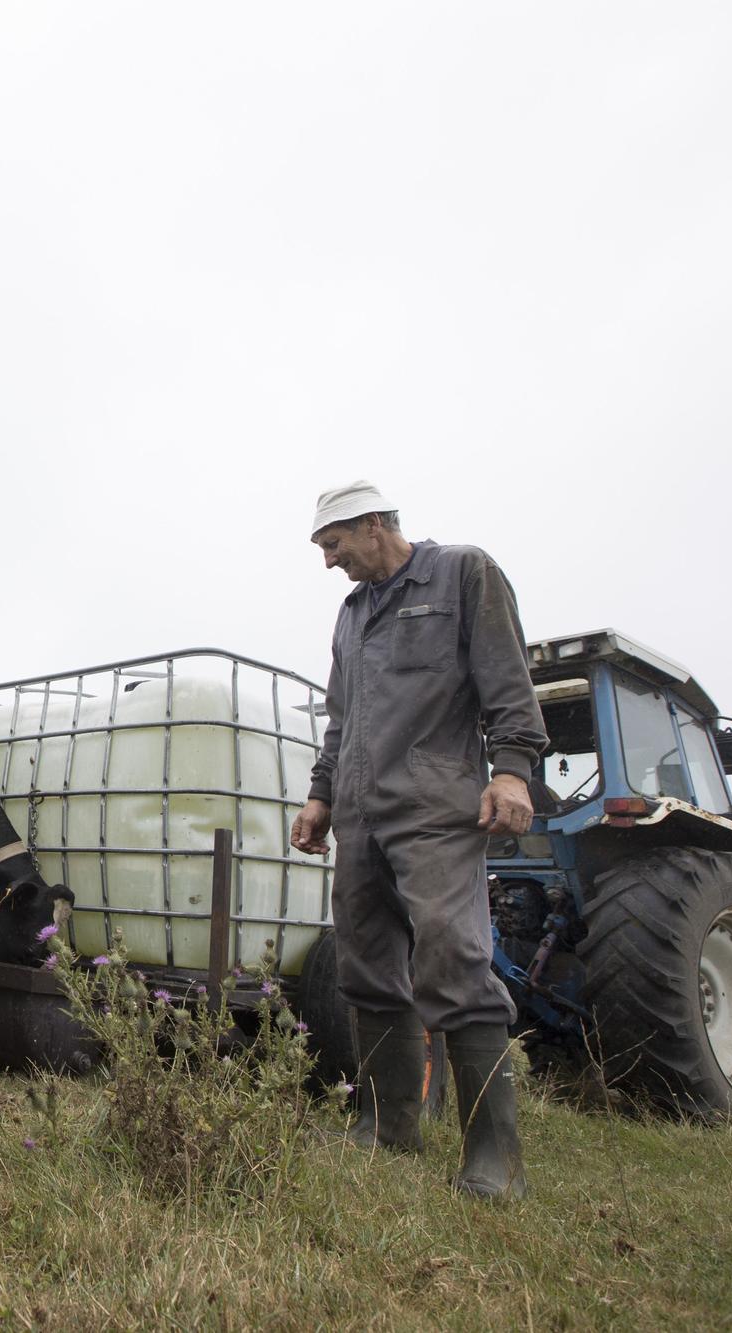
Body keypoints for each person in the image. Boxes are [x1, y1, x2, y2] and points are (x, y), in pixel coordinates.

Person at [289, 480, 547, 1201]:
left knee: (453, 957)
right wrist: (321, 795)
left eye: (334, 545)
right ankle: (388, 1123)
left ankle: (494, 1158)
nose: (329, 562)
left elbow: (507, 684)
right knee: (366, 963)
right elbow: (341, 719)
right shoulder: (351, 614)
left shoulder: (464, 574)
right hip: (362, 814)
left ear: (373, 525)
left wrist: (516, 773)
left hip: (437, 804)